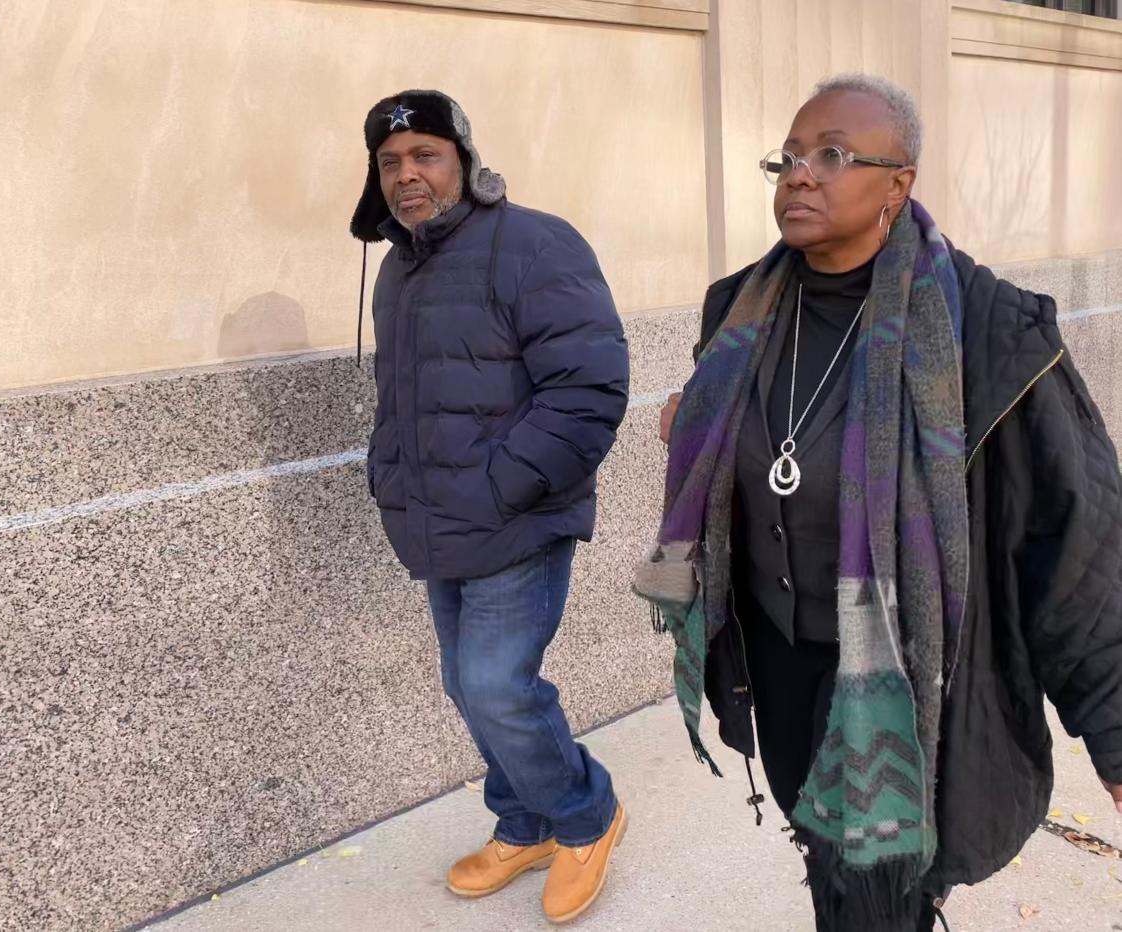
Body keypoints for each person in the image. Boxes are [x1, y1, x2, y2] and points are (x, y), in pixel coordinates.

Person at [636, 73, 1122, 931]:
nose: (800, 175)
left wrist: (1116, 731)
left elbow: (1075, 542)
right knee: (823, 844)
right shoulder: (737, 311)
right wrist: (700, 427)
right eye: (787, 157)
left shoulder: (988, 333)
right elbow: (730, 460)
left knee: (881, 889)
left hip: (910, 676)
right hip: (776, 664)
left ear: (898, 184)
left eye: (831, 155)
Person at [350, 90, 630, 924]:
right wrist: (389, 475)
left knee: (496, 685)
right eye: (392, 162)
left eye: (425, 155)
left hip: (517, 520)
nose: (408, 174)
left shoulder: (533, 242)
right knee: (467, 687)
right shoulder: (400, 270)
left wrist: (501, 486)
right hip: (435, 523)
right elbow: (401, 396)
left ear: (463, 160)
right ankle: (524, 821)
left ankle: (586, 815)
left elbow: (588, 386)